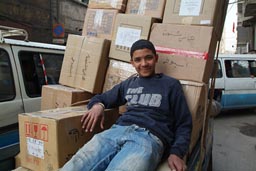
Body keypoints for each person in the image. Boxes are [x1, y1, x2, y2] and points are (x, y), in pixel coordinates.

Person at [60, 39, 192, 171]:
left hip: (147, 139)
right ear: (132, 63)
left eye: (148, 58)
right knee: (74, 166)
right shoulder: (129, 84)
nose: (144, 64)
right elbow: (103, 98)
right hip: (115, 132)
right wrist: (98, 106)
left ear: (156, 58)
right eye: (138, 60)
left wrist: (176, 153)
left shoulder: (170, 85)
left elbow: (184, 123)